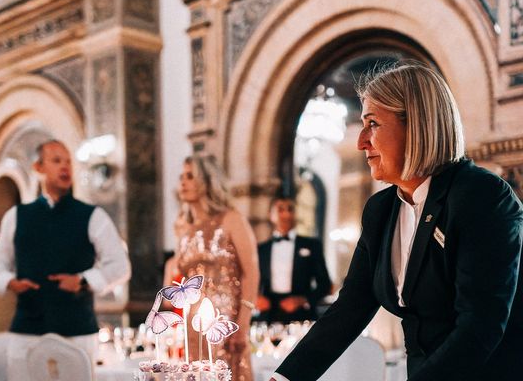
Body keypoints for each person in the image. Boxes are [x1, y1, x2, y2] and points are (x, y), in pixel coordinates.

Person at [272, 63, 523, 381]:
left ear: (417, 125)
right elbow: (349, 309)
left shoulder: (480, 195)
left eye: (372, 124)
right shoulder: (381, 209)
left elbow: (479, 327)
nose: (361, 141)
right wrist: (283, 377)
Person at [0, 140, 131, 380]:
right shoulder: (16, 216)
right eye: (56, 161)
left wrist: (83, 280)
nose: (65, 167)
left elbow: (120, 266)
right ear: (39, 167)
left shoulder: (92, 216)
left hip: (77, 331)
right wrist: (10, 282)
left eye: (68, 162)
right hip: (26, 331)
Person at [175, 155, 259, 381]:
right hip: (192, 325)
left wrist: (242, 324)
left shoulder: (231, 219)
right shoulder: (184, 229)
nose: (182, 182)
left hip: (226, 322)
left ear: (207, 180)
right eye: (182, 177)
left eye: (190, 176)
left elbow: (251, 271)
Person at [257, 196, 331, 323]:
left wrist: (303, 300)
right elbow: (250, 281)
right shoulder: (261, 249)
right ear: (271, 215)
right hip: (268, 315)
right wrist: (256, 298)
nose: (286, 214)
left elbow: (325, 284)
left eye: (290, 209)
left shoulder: (312, 245)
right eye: (280, 209)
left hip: (301, 314)